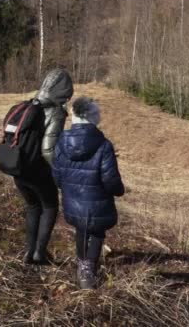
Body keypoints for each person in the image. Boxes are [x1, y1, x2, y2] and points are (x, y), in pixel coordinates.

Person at [52, 97, 125, 289]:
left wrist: (68, 187)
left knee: (81, 228)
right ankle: (87, 269)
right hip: (98, 202)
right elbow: (110, 180)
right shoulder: (104, 145)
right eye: (98, 114)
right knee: (97, 230)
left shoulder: (61, 142)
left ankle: (82, 264)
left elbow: (57, 175)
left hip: (72, 201)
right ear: (92, 117)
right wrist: (119, 190)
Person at [15, 69, 73, 265]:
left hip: (18, 167)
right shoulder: (56, 111)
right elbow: (48, 149)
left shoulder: (29, 104)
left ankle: (28, 252)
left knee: (32, 206)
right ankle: (40, 253)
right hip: (38, 170)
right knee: (49, 206)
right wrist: (60, 173)